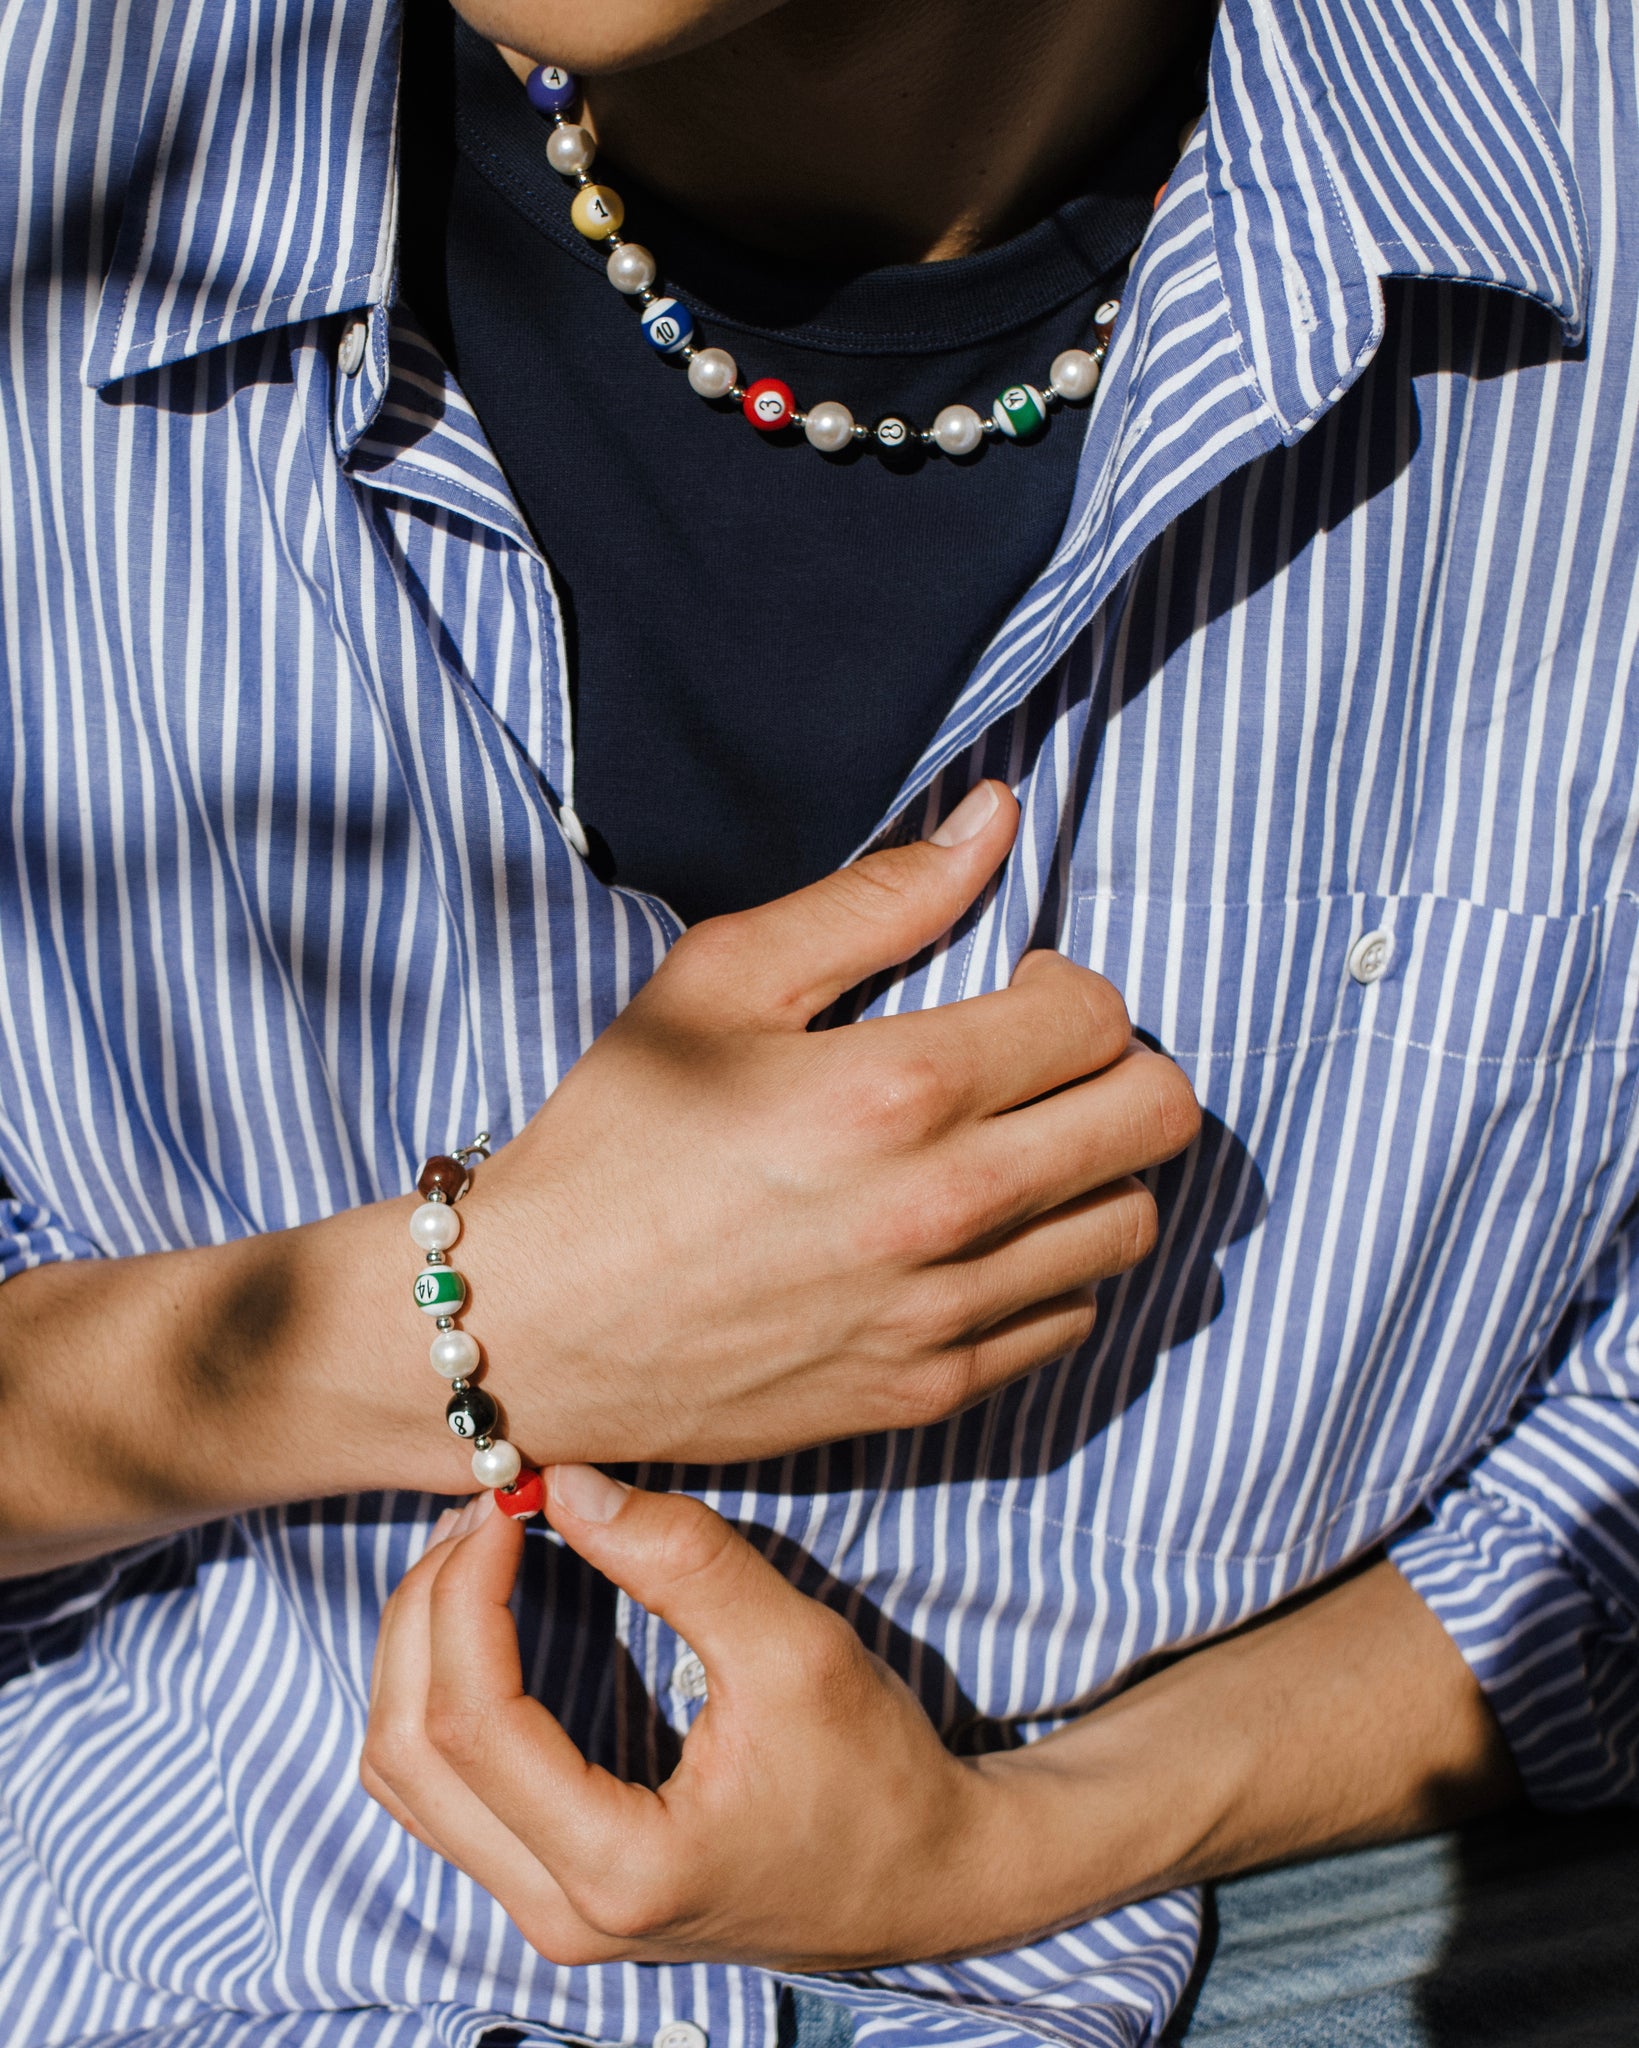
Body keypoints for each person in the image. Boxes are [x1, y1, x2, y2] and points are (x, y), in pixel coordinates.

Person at [1, 0, 1636, 2042]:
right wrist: (452, 1320)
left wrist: (1022, 1840)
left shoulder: (1587, 196)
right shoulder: (49, 150)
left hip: (1219, 1936)